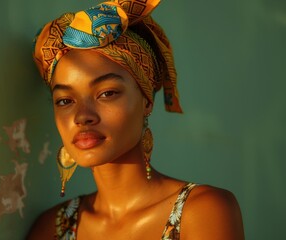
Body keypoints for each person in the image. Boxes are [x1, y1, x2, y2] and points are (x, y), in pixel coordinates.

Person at [28, 0, 245, 239]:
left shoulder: (202, 210)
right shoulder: (52, 228)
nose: (82, 117)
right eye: (65, 101)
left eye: (107, 93)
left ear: (146, 101)